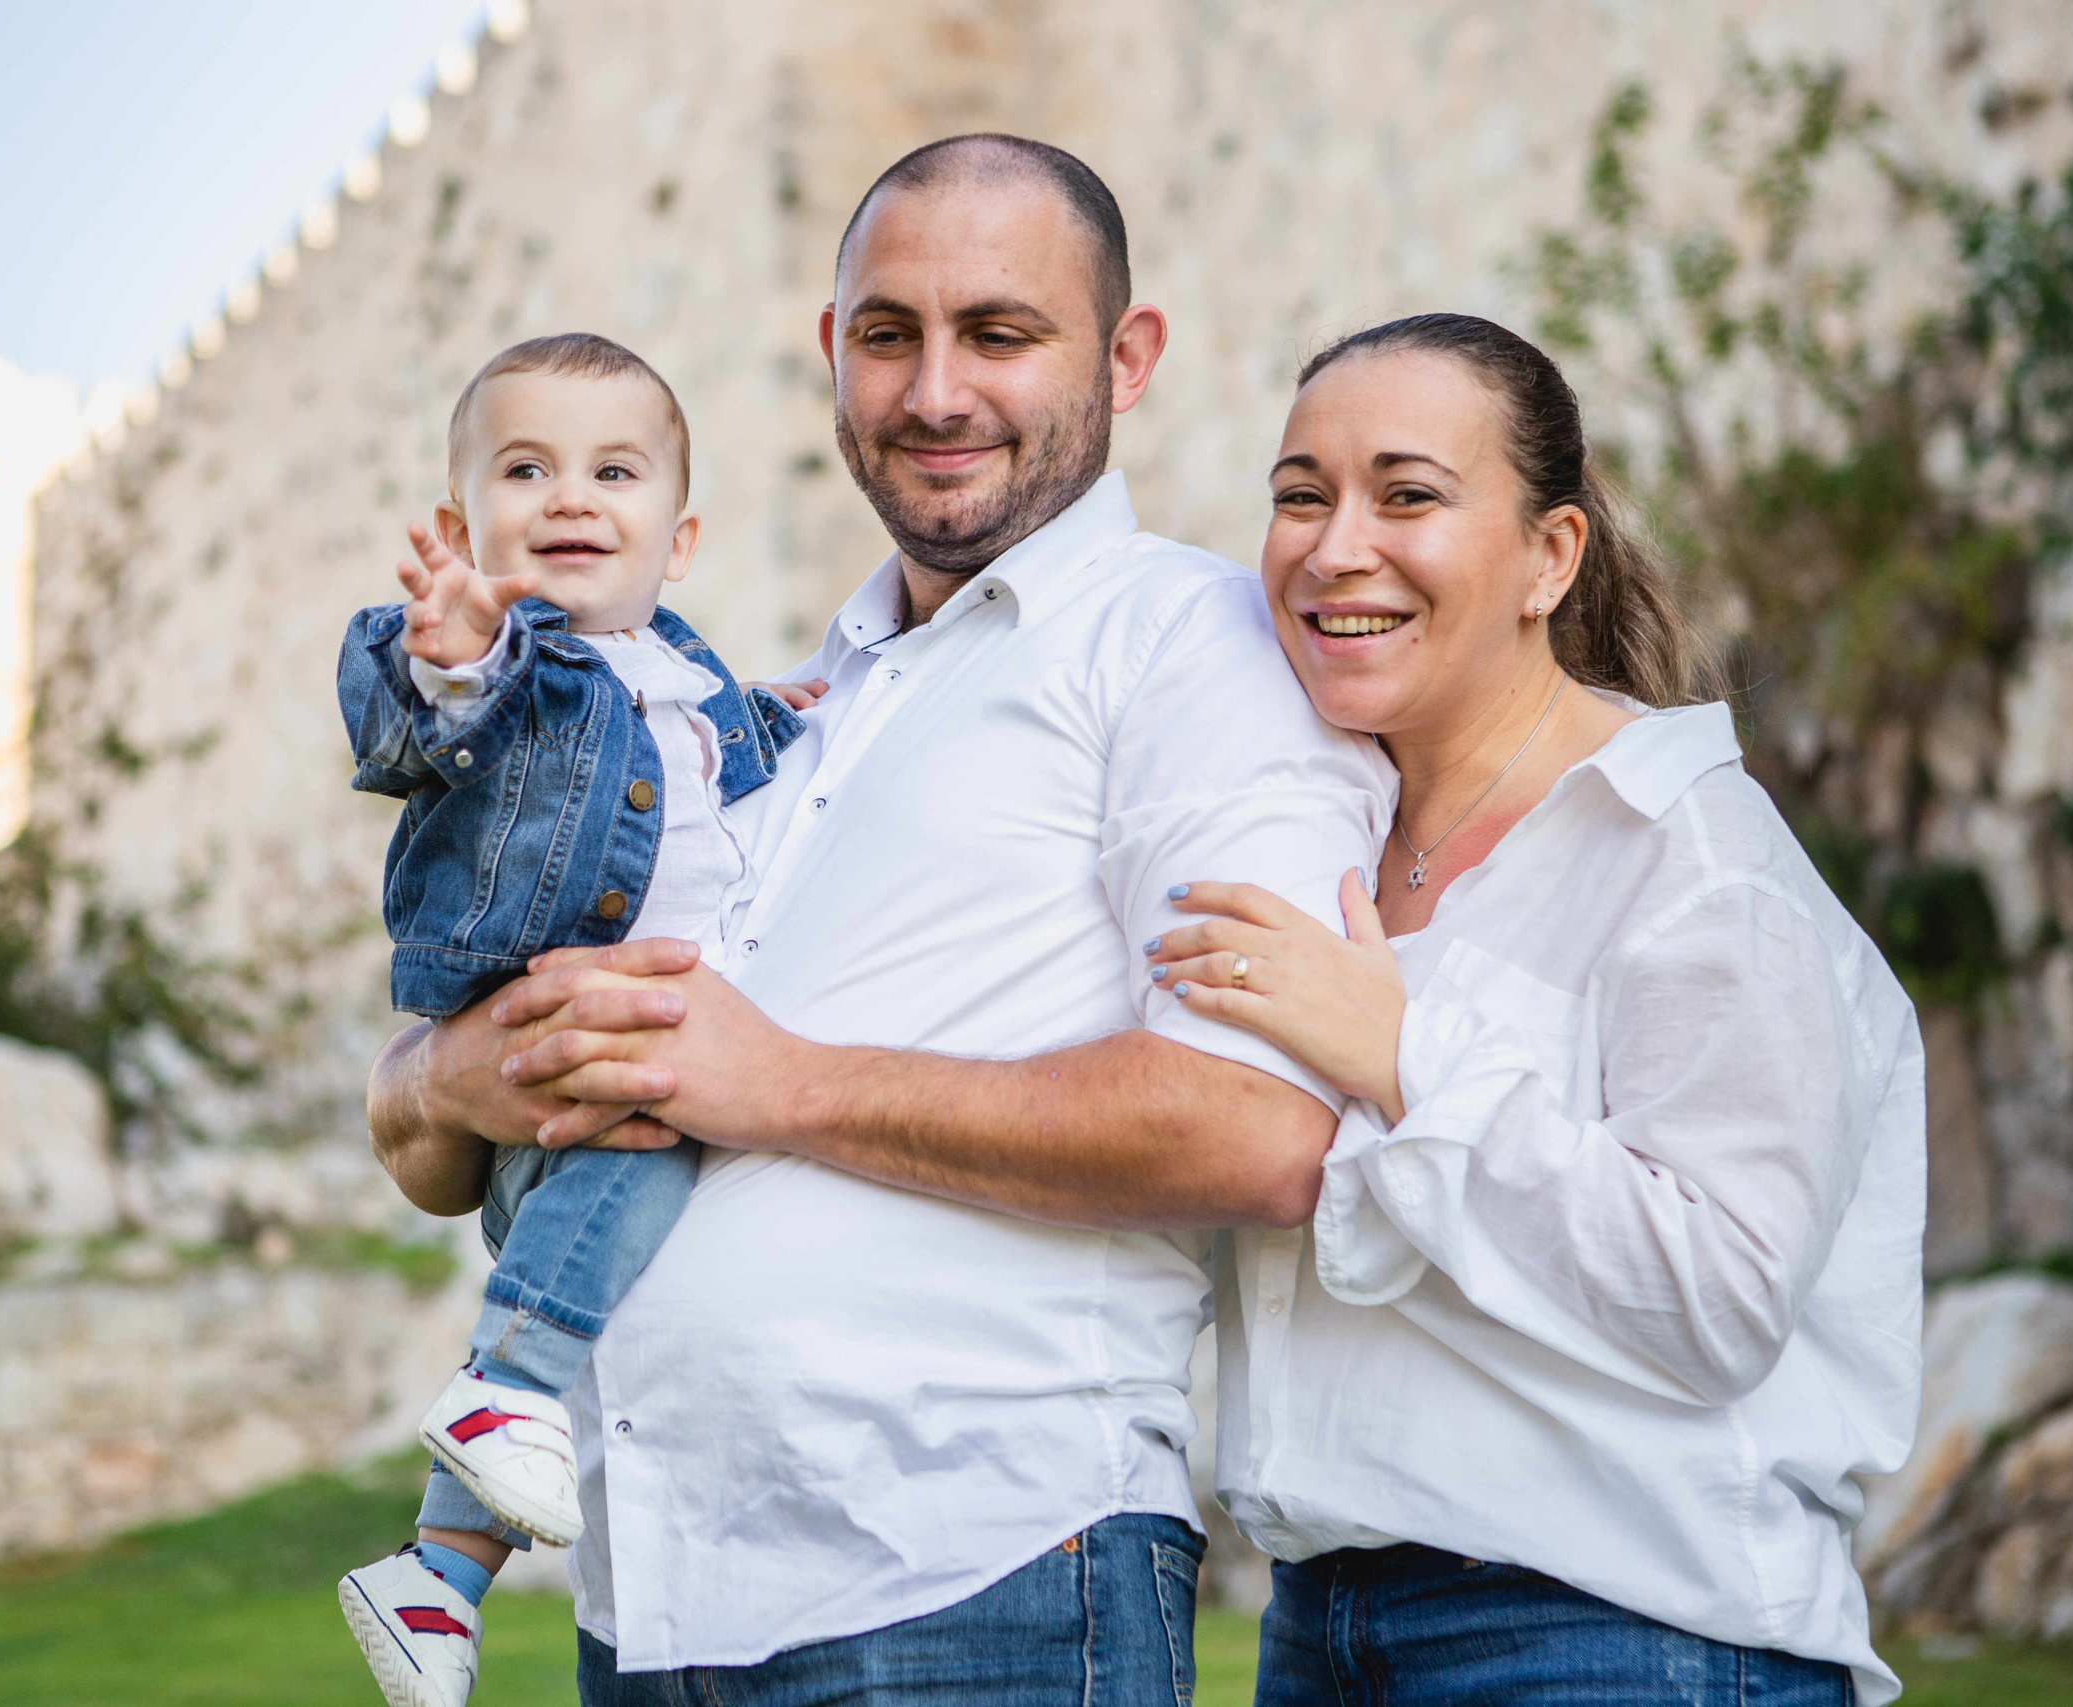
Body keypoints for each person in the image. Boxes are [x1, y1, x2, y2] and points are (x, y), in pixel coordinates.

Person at [363, 135, 1393, 1705]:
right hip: (652, 1616)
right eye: (890, 335)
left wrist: (779, 1082)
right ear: (831, 352)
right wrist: (447, 1078)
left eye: (1000, 333)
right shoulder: (772, 711)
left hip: (976, 1591)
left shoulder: (1197, 649)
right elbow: (430, 1143)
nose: (936, 392)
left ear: (1128, 358)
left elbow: (1253, 1131)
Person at [1141, 313, 1925, 1705]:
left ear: (1550, 556)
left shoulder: (1689, 860)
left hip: (1623, 1636)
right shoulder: (1315, 844)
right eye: (1302, 496)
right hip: (1322, 1632)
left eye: (1409, 496)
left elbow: (1721, 1294)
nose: (1336, 547)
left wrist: (1403, 1055)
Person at [329, 332, 814, 1707]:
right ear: (458, 524)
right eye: (526, 470)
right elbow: (419, 724)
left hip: (635, 1050)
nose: (570, 499)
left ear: (682, 536)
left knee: (600, 1264)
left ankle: (436, 1576)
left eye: (614, 472)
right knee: (647, 1154)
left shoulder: (690, 677)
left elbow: (727, 784)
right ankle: (504, 1383)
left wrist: (789, 722)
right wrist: (453, 656)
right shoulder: (509, 663)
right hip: (573, 1042)